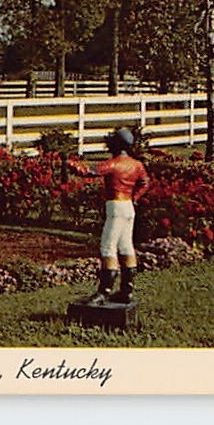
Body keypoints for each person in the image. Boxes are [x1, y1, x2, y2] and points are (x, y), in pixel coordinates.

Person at [69, 127, 150, 305]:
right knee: (126, 246)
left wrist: (71, 164)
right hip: (129, 207)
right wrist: (135, 197)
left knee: (108, 247)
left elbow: (88, 172)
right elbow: (145, 182)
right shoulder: (137, 165)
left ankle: (103, 292)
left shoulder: (113, 164)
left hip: (115, 206)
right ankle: (126, 290)